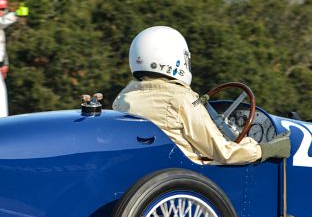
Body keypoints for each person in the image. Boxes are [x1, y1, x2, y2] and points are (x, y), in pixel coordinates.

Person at [113, 25, 291, 165]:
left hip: (143, 174)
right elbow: (222, 151)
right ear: (175, 59)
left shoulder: (122, 100)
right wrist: (263, 149)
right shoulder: (182, 98)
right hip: (187, 178)